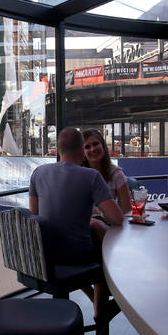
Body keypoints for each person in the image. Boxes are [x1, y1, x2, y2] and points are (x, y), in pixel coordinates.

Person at [29, 128, 123, 321]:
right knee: (101, 250)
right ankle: (101, 311)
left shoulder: (38, 173)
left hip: (46, 257)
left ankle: (99, 309)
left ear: (58, 150)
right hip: (77, 256)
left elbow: (34, 217)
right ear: (82, 151)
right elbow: (117, 218)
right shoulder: (91, 176)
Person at [82, 129, 131, 220]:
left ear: (103, 146)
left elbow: (127, 212)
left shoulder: (116, 174)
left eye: (95, 144)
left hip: (109, 229)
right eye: (87, 147)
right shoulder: (78, 175)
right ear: (83, 153)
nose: (93, 149)